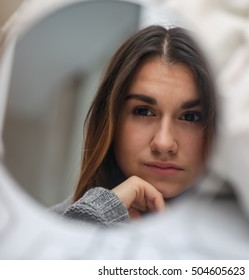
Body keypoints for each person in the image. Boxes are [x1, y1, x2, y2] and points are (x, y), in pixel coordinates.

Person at [51, 24, 217, 226]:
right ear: (111, 120)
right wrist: (97, 218)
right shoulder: (42, 230)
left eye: (190, 117)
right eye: (143, 111)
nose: (163, 143)